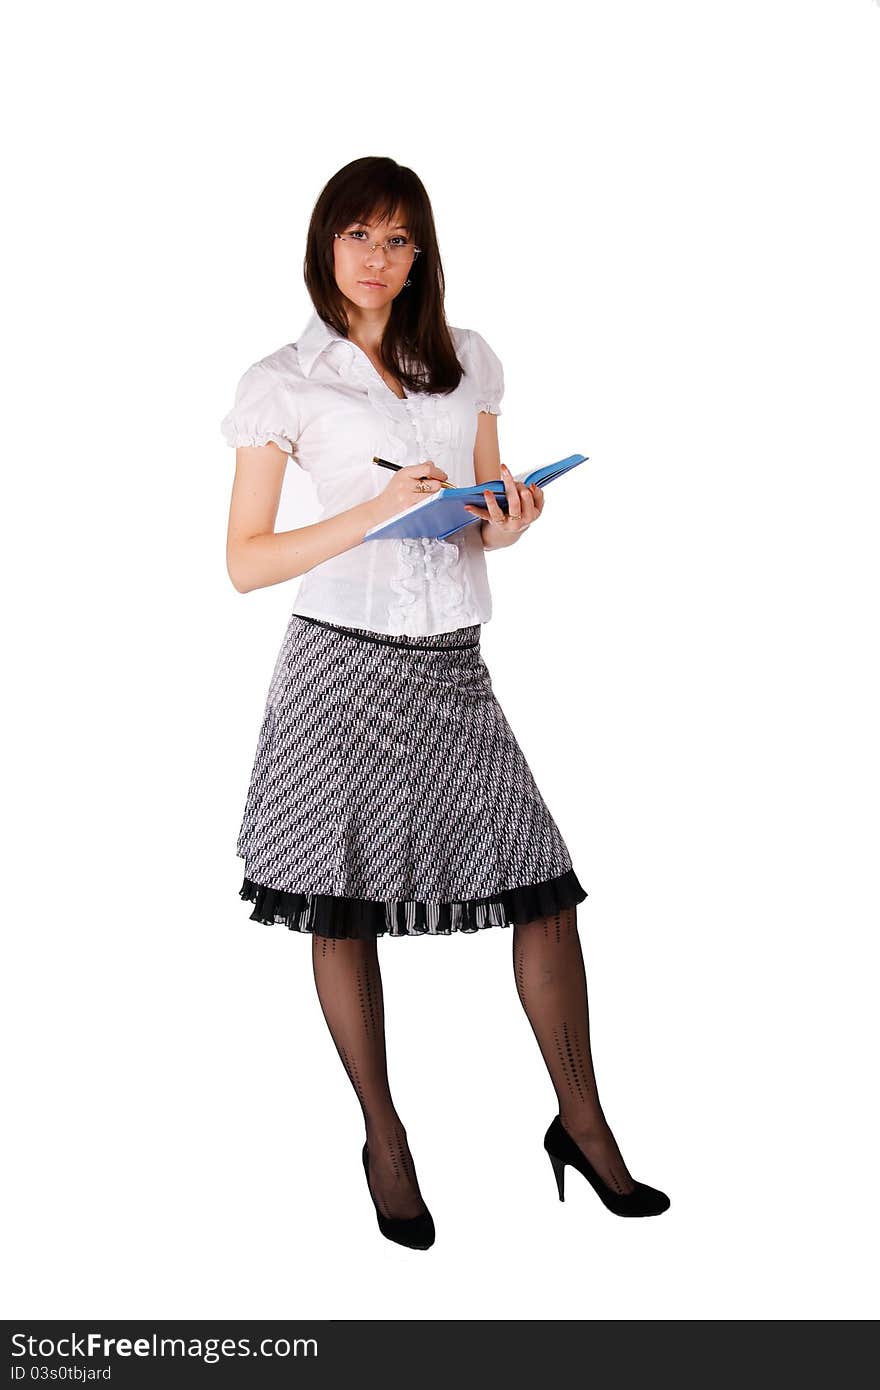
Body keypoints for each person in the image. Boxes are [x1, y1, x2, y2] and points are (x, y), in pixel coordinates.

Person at [220, 156, 670, 1250]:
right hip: (338, 666)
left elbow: (481, 508)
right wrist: (373, 509)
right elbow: (244, 560)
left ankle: (583, 1121)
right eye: (358, 236)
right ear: (325, 243)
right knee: (341, 905)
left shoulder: (467, 362)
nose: (377, 259)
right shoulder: (286, 380)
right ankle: (385, 1139)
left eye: (398, 239)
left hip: (450, 665)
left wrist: (507, 522)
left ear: (422, 252)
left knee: (542, 884)